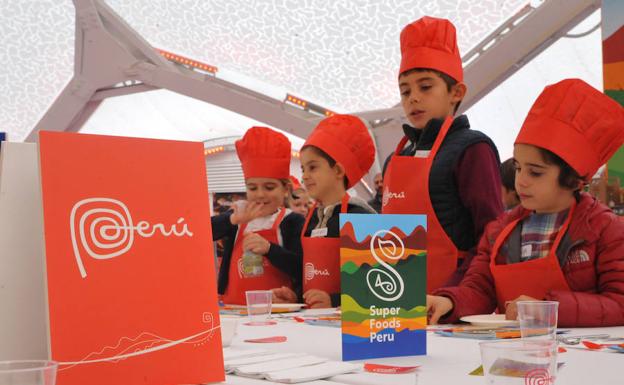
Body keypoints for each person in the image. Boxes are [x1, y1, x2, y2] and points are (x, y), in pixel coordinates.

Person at [427, 79, 624, 327]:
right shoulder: (499, 230)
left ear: (574, 180)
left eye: (536, 172)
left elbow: (619, 303)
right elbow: (480, 289)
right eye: (519, 168)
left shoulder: (605, 230)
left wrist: (547, 309)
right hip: (515, 350)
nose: (521, 181)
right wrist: (450, 302)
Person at [382, 16, 503, 291]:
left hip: (451, 299)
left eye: (425, 87)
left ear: (456, 92)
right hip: (395, 297)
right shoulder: (395, 158)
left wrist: (457, 293)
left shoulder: (473, 148)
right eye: (405, 91)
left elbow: (490, 236)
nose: (413, 97)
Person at [273, 114, 376, 308]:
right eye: (303, 169)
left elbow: (373, 286)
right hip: (314, 320)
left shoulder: (361, 217)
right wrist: (296, 295)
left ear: (338, 171)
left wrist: (334, 301)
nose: (305, 176)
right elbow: (309, 272)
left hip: (350, 326)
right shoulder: (312, 218)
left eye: (312, 167)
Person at [211, 127, 304, 304]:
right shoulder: (237, 217)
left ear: (285, 189)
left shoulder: (293, 221)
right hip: (235, 308)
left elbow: (301, 268)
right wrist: (232, 220)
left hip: (279, 311)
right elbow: (201, 232)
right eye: (252, 188)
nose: (260, 194)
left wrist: (270, 249)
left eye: (269, 187)